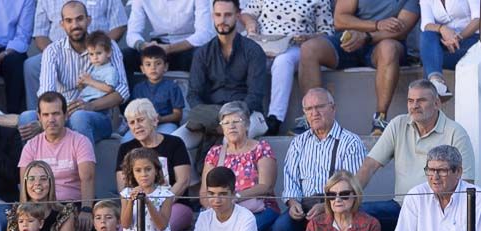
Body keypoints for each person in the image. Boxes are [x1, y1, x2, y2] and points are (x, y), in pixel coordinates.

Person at [355, 78, 474, 231]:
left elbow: (467, 183)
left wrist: (446, 210)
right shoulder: (398, 124)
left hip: (438, 211)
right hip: (401, 207)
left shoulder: (456, 133)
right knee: (351, 213)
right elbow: (370, 165)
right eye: (410, 101)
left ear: (437, 103)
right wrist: (348, 197)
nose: (414, 106)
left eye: (421, 100)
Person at [296, 0, 420, 137]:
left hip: (382, 42)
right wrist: (376, 25)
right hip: (350, 38)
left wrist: (366, 37)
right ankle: (311, 116)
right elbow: (340, 19)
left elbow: (402, 29)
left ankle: (380, 118)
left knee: (389, 48)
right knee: (309, 48)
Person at [270, 88, 367, 231]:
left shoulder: (350, 142)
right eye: (309, 109)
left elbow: (353, 187)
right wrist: (293, 204)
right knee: (280, 227)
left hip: (336, 206)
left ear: (333, 108)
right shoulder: (298, 142)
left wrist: (326, 206)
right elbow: (291, 179)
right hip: (304, 205)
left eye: (319, 107)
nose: (314, 113)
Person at [20, 1, 129, 146]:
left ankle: (84, 168)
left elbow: (123, 91)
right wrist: (57, 117)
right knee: (27, 118)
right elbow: (47, 92)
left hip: (97, 115)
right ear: (62, 24)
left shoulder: (109, 46)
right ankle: (36, 168)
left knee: (79, 117)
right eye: (69, 21)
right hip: (60, 113)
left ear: (88, 20)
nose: (75, 25)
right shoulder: (53, 51)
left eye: (79, 19)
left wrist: (91, 106)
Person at [177, 0, 269, 151]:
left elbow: (255, 96)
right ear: (213, 16)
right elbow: (193, 95)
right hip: (212, 116)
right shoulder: (202, 53)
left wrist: (229, 120)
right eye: (218, 15)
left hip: (248, 115)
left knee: (230, 140)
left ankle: (214, 171)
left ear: (237, 16)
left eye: (228, 15)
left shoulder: (253, 51)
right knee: (176, 142)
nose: (222, 21)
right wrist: (217, 120)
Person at [239, 0, 333, 135]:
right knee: (251, 57)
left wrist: (308, 37)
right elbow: (248, 13)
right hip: (264, 42)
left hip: (294, 45)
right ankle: (245, 113)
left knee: (283, 62)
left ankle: (274, 119)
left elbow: (327, 32)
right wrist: (250, 23)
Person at [116, 99, 194, 231]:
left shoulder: (175, 143)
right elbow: (124, 187)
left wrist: (160, 204)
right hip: (137, 205)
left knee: (159, 229)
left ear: (154, 120)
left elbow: (183, 181)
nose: (137, 126)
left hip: (175, 204)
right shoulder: (125, 149)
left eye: (141, 120)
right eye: (132, 122)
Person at [18, 93, 96, 230]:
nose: (51, 119)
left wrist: (86, 210)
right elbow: (25, 185)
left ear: (66, 115)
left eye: (56, 114)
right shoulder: (31, 146)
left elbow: (87, 178)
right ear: (39, 117)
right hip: (42, 207)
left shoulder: (80, 141)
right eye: (46, 115)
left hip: (74, 204)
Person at [200, 101, 279, 231]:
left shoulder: (261, 148)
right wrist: (216, 209)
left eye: (236, 121)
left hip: (259, 210)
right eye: (226, 123)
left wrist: (234, 198)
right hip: (223, 210)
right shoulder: (215, 153)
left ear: (247, 124)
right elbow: (204, 192)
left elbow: (266, 186)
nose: (231, 126)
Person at [122, 0, 211, 76]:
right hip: (158, 46)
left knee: (203, 57)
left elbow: (204, 34)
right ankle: (130, 94)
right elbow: (132, 34)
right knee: (124, 57)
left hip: (188, 45)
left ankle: (196, 95)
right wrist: (145, 46)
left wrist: (170, 48)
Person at [418, 0, 480, 99]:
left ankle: (434, 92)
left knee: (430, 59)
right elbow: (426, 24)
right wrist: (442, 29)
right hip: (448, 44)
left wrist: (458, 37)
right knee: (427, 36)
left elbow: (478, 19)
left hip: (474, 41)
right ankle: (437, 82)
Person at [127, 46, 184, 138]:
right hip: (143, 125)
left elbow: (178, 115)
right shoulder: (138, 88)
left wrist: (161, 119)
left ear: (165, 67)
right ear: (142, 69)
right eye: (148, 64)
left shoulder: (172, 87)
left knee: (165, 139)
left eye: (158, 63)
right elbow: (134, 112)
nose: (153, 68)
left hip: (166, 123)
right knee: (127, 140)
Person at [77, 31, 122, 106]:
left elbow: (109, 89)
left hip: (98, 103)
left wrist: (90, 81)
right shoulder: (92, 69)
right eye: (91, 54)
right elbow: (87, 88)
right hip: (84, 100)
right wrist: (82, 84)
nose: (95, 57)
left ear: (108, 53)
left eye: (99, 53)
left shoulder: (110, 70)